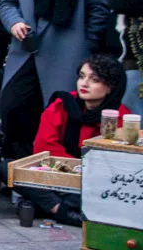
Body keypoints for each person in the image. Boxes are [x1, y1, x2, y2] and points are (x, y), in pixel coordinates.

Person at [0, 0, 111, 159]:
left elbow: (98, 8)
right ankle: (23, 183)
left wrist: (86, 49)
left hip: (67, 54)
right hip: (25, 51)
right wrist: (14, 22)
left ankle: (55, 183)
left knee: (59, 119)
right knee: (13, 108)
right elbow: (7, 2)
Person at [24, 55, 128, 225]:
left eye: (94, 79)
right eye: (81, 76)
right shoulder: (63, 104)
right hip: (56, 173)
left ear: (110, 87)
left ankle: (51, 205)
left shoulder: (120, 116)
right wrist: (73, 170)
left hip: (93, 182)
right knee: (7, 168)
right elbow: (44, 148)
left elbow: (112, 163)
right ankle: (61, 209)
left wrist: (83, 173)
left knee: (112, 190)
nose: (84, 83)